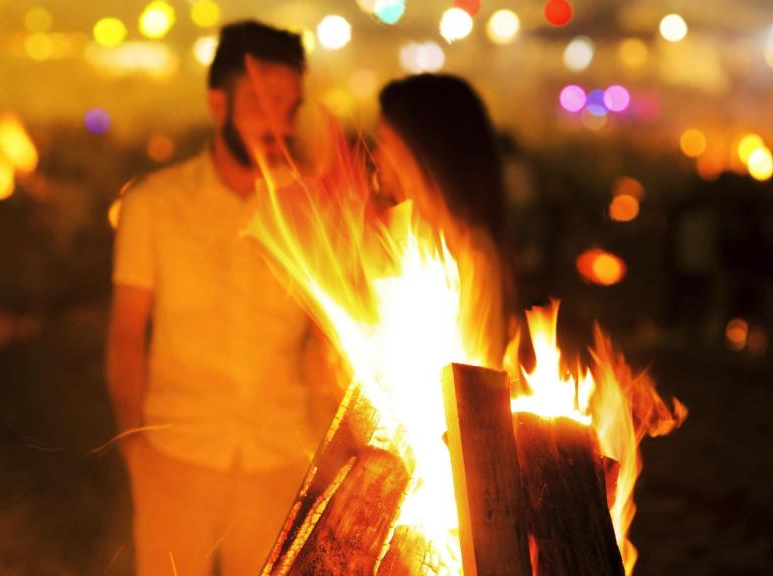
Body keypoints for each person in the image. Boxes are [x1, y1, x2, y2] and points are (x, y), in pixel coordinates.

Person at [107, 21, 328, 575]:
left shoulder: (311, 215)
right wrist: (135, 448)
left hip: (279, 461)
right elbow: (127, 331)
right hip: (176, 453)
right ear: (217, 102)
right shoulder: (155, 205)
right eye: (261, 101)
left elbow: (326, 343)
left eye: (288, 105)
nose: (276, 121)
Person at [374, 74, 518, 366]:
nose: (375, 156)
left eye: (384, 142)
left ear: (417, 149)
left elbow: (474, 375)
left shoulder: (471, 255)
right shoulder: (407, 236)